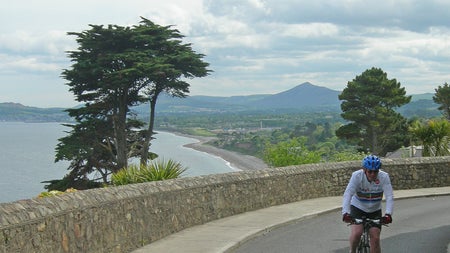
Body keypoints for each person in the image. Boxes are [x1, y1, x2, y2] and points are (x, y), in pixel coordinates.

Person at [342, 155, 394, 253]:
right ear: (364, 170)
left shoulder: (384, 177)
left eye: (376, 171)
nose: (373, 174)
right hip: (358, 207)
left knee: (375, 238)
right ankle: (352, 250)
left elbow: (389, 196)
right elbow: (348, 194)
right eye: (370, 171)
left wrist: (388, 214)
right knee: (357, 233)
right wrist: (345, 213)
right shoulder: (357, 176)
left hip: (375, 210)